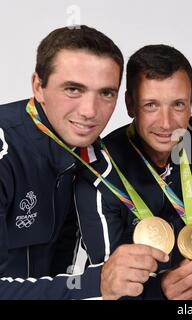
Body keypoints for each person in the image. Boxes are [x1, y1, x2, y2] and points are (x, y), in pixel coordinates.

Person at [0, 25, 168, 300]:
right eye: (73, 89)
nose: (90, 112)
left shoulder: (89, 150)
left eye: (106, 93)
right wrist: (97, 281)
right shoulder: (5, 152)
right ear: (38, 86)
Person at [75, 44, 192, 300]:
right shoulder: (98, 176)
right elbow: (111, 284)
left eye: (178, 105)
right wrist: (161, 291)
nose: (166, 123)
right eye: (151, 105)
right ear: (130, 104)